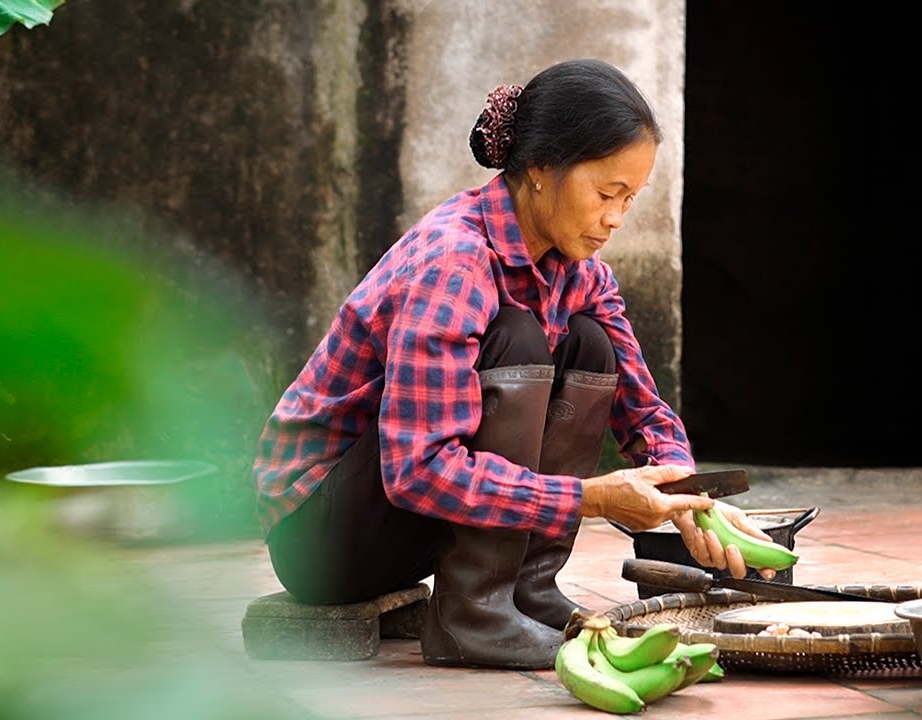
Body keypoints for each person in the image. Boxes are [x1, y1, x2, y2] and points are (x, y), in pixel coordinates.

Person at [252, 57, 777, 671]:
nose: (615, 217)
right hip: (323, 538)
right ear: (538, 169)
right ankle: (472, 617)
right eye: (606, 193)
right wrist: (592, 498)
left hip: (406, 524)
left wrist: (696, 501)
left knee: (590, 344)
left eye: (629, 199)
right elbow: (417, 471)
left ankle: (526, 591)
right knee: (517, 338)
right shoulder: (454, 262)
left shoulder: (579, 272)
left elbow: (642, 409)